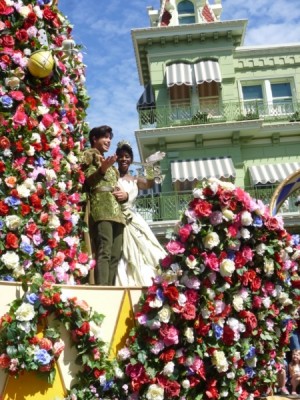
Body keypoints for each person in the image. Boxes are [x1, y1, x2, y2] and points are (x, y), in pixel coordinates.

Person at [115, 141, 166, 286]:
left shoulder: (135, 180)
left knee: (147, 248)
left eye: (127, 156)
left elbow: (150, 184)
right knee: (124, 253)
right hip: (118, 217)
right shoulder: (112, 176)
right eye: (121, 156)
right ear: (116, 158)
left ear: (131, 159)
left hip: (134, 219)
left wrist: (151, 164)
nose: (124, 159)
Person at [81, 125, 127, 286]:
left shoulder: (111, 166)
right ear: (95, 139)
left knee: (116, 254)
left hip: (117, 212)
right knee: (104, 251)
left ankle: (111, 288)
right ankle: (103, 289)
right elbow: (88, 181)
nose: (108, 141)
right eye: (105, 137)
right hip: (101, 209)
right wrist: (102, 169)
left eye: (110, 138)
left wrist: (125, 195)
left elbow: (119, 187)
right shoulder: (89, 155)